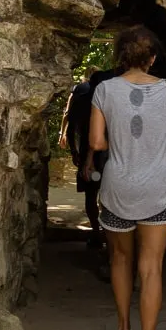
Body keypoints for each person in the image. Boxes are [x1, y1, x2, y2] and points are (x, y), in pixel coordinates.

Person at [86, 26, 166, 330]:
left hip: (118, 188)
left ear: (120, 57)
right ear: (151, 58)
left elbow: (97, 143)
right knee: (151, 268)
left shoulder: (103, 90)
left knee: (119, 259)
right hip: (157, 189)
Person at [59, 65, 120, 251]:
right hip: (112, 156)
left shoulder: (82, 100)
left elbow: (71, 126)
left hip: (89, 154)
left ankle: (96, 233)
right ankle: (110, 239)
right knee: (111, 198)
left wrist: (75, 153)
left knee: (91, 195)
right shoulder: (116, 100)